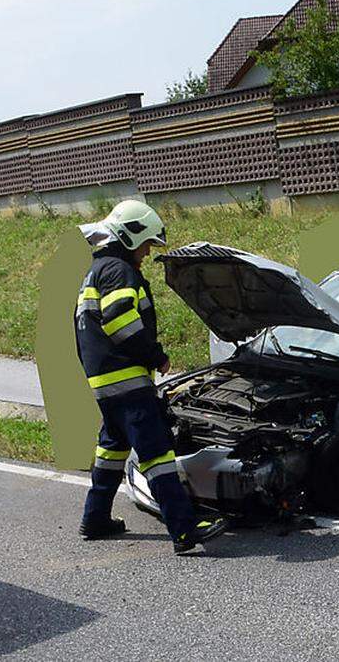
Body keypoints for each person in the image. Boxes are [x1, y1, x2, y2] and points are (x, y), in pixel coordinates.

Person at [75, 200, 227, 554]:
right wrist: (156, 356)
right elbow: (120, 323)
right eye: (145, 244)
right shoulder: (118, 271)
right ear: (130, 237)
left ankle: (94, 519)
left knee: (111, 450)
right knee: (157, 455)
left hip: (105, 383)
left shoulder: (96, 271)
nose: (146, 253)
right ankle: (186, 531)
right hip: (128, 381)